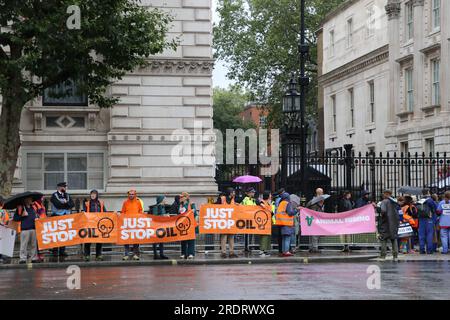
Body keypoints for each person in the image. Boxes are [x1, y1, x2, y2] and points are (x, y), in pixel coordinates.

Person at [13, 196, 41, 264]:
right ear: (26, 200)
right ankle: (23, 258)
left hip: (33, 228)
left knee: (34, 245)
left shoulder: (33, 207)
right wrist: (22, 215)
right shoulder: (21, 208)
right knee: (24, 245)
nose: (32, 200)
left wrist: (37, 217)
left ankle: (34, 258)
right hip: (25, 229)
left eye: (32, 199)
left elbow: (37, 215)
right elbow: (15, 218)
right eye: (30, 199)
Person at [50, 182, 74, 257]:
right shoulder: (54, 195)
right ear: (59, 187)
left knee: (64, 235)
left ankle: (62, 250)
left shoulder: (67, 195)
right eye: (64, 187)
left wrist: (66, 204)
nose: (65, 188)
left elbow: (72, 204)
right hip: (57, 216)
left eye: (66, 187)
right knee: (56, 234)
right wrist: (66, 204)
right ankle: (55, 250)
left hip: (65, 217)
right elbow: (58, 205)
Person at [83, 190, 106, 261]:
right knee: (88, 240)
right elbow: (84, 213)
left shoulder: (101, 203)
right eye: (91, 194)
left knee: (99, 240)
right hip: (90, 224)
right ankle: (87, 255)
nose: (92, 195)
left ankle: (98, 255)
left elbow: (105, 212)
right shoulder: (87, 203)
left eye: (94, 194)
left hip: (98, 224)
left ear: (97, 195)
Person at [121, 189, 144, 261]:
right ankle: (126, 254)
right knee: (126, 240)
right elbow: (123, 212)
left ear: (135, 195)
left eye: (132, 194)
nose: (131, 195)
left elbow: (140, 211)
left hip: (135, 223)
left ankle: (135, 254)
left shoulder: (138, 202)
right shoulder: (125, 202)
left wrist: (139, 218)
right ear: (128, 195)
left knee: (136, 239)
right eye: (130, 194)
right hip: (127, 223)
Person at [216, 188, 238, 258]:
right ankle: (223, 252)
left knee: (231, 237)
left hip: (231, 221)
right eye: (233, 192)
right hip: (224, 221)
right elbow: (215, 205)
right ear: (229, 193)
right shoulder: (222, 198)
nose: (234, 193)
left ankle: (231, 252)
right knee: (224, 237)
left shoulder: (233, 199)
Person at [378, 190, 400, 261]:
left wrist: (378, 209)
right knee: (394, 239)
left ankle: (383, 255)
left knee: (383, 239)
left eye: (384, 194)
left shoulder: (384, 201)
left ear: (386, 194)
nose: (383, 195)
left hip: (386, 223)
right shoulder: (395, 202)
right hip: (394, 223)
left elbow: (383, 211)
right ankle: (395, 256)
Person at [417, 188, 437, 254]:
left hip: (421, 219)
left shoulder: (419, 200)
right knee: (429, 234)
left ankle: (422, 249)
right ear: (428, 192)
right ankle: (429, 250)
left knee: (421, 235)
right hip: (429, 219)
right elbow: (435, 208)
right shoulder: (430, 200)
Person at [276, 192, 296, 257]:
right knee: (287, 238)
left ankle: (283, 251)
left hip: (281, 223)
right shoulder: (287, 203)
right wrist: (296, 210)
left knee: (284, 238)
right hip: (287, 223)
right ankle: (286, 251)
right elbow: (290, 213)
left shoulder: (281, 203)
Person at [178, 192, 197, 260]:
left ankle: (191, 253)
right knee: (183, 239)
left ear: (185, 197)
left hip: (190, 224)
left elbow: (194, 212)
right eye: (180, 197)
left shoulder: (191, 204)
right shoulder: (180, 205)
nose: (180, 198)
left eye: (181, 197)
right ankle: (183, 253)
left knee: (191, 239)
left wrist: (192, 211)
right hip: (183, 225)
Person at [241, 187, 260, 252]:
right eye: (252, 192)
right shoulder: (245, 200)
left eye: (254, 192)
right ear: (248, 193)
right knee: (247, 234)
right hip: (247, 219)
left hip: (252, 219)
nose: (254, 193)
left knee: (251, 233)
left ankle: (249, 246)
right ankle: (246, 247)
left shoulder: (253, 200)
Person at [151, 195, 169, 260]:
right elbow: (155, 216)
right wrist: (163, 215)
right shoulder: (156, 207)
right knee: (155, 241)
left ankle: (161, 254)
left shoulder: (162, 207)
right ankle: (155, 255)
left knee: (162, 240)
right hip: (156, 226)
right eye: (164, 199)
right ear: (161, 200)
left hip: (161, 226)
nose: (166, 200)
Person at [258, 191, 274, 257]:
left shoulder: (268, 203)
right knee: (264, 236)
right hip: (264, 222)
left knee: (267, 237)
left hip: (269, 222)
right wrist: (261, 204)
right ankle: (261, 251)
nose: (271, 196)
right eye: (270, 194)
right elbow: (258, 202)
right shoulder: (263, 202)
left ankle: (265, 250)